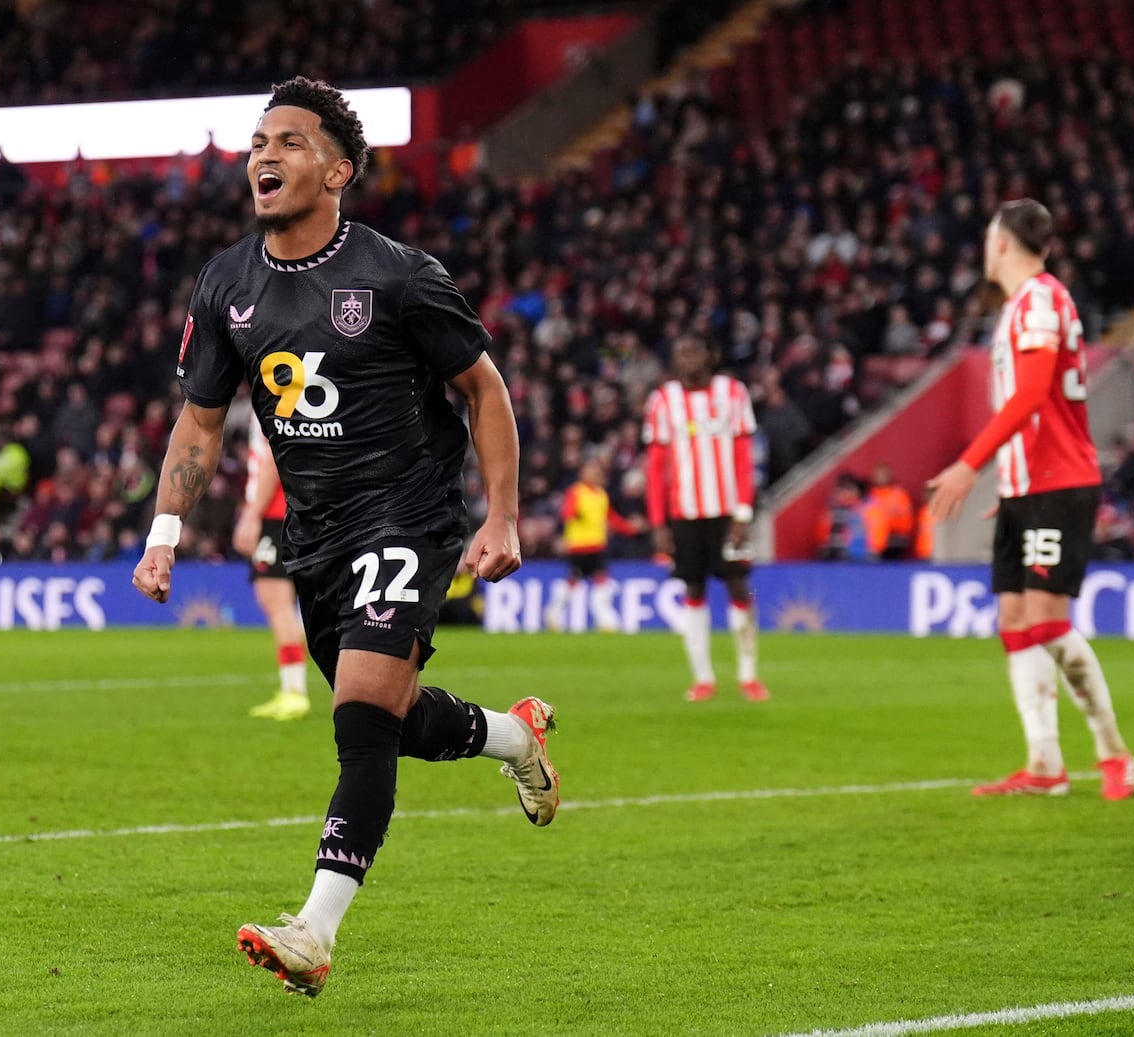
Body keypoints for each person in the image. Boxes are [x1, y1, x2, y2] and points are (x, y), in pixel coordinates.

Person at [131, 77, 558, 998]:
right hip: (314, 535)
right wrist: (165, 529)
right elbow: (200, 423)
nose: (263, 156)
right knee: (390, 720)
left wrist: (501, 513)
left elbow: (484, 389)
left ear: (338, 170)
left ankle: (313, 933)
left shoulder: (399, 275)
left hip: (408, 513)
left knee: (361, 717)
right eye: (256, 142)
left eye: (288, 141)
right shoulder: (227, 285)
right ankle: (512, 737)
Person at [928, 198, 1134, 801]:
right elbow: (1031, 409)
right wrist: (1010, 481)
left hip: (1058, 483)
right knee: (1014, 623)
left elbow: (1030, 397)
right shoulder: (1023, 305)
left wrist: (970, 467)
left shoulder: (1042, 300)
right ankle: (1044, 766)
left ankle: (1112, 752)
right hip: (1027, 485)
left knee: (1046, 621)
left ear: (1000, 244)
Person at [643, 334, 768, 703]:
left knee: (738, 587)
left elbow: (746, 458)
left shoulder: (733, 393)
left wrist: (744, 511)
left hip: (729, 512)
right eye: (682, 352)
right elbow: (655, 468)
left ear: (710, 355)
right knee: (693, 590)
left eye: (695, 350)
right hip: (685, 514)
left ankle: (748, 675)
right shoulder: (663, 400)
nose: (688, 358)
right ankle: (703, 678)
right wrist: (658, 523)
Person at [232, 421, 311, 720]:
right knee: (287, 605)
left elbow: (276, 454)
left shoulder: (268, 393)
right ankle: (293, 688)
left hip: (276, 513)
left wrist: (252, 515)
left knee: (275, 599)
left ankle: (294, 692)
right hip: (295, 507)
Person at [546, 456, 641, 631]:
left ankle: (604, 620)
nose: (595, 474)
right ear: (583, 473)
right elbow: (567, 513)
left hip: (598, 546)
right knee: (574, 582)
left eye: (597, 471)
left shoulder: (601, 495)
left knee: (602, 582)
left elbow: (611, 518)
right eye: (591, 470)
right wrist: (574, 513)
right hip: (579, 546)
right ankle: (554, 612)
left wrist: (630, 528)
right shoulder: (576, 492)